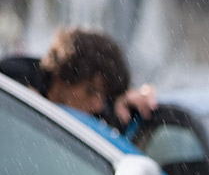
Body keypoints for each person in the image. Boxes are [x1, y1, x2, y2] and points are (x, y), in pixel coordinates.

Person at [0, 26, 155, 128]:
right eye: (91, 91)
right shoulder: (15, 77)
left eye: (104, 95)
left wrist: (129, 102)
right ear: (61, 77)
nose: (97, 105)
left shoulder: (100, 114)